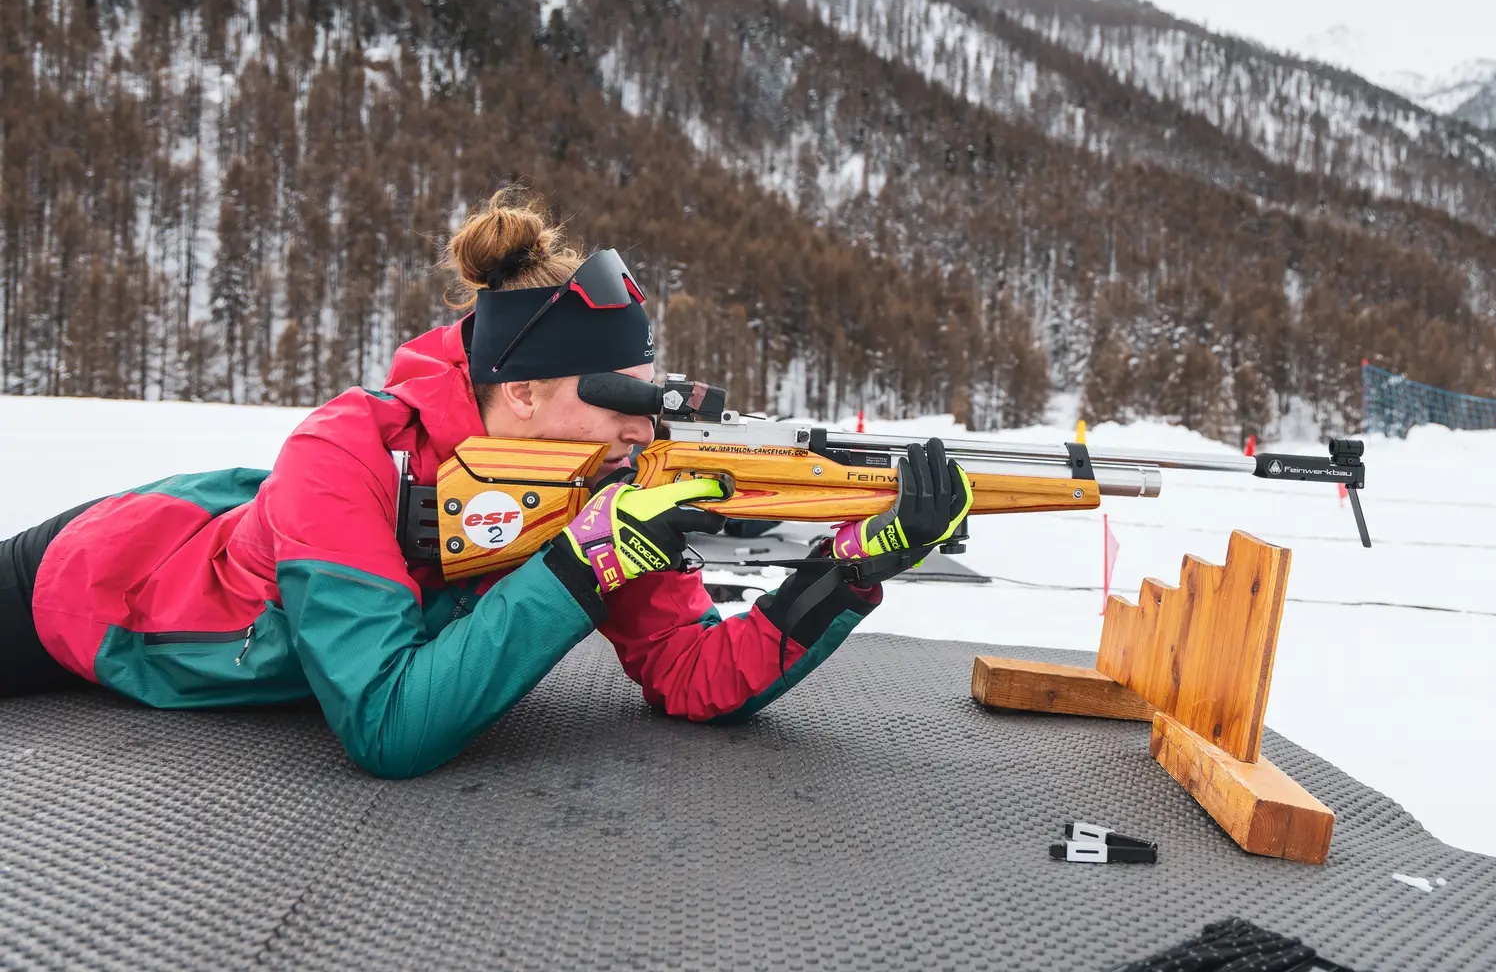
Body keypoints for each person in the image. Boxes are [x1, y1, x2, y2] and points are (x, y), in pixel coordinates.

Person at [0, 190, 970, 779]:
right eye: (624, 399)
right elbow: (388, 724)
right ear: (527, 392)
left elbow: (687, 673)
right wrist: (589, 559)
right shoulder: (347, 450)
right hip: (90, 584)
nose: (647, 425)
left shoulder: (601, 478)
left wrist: (843, 577)